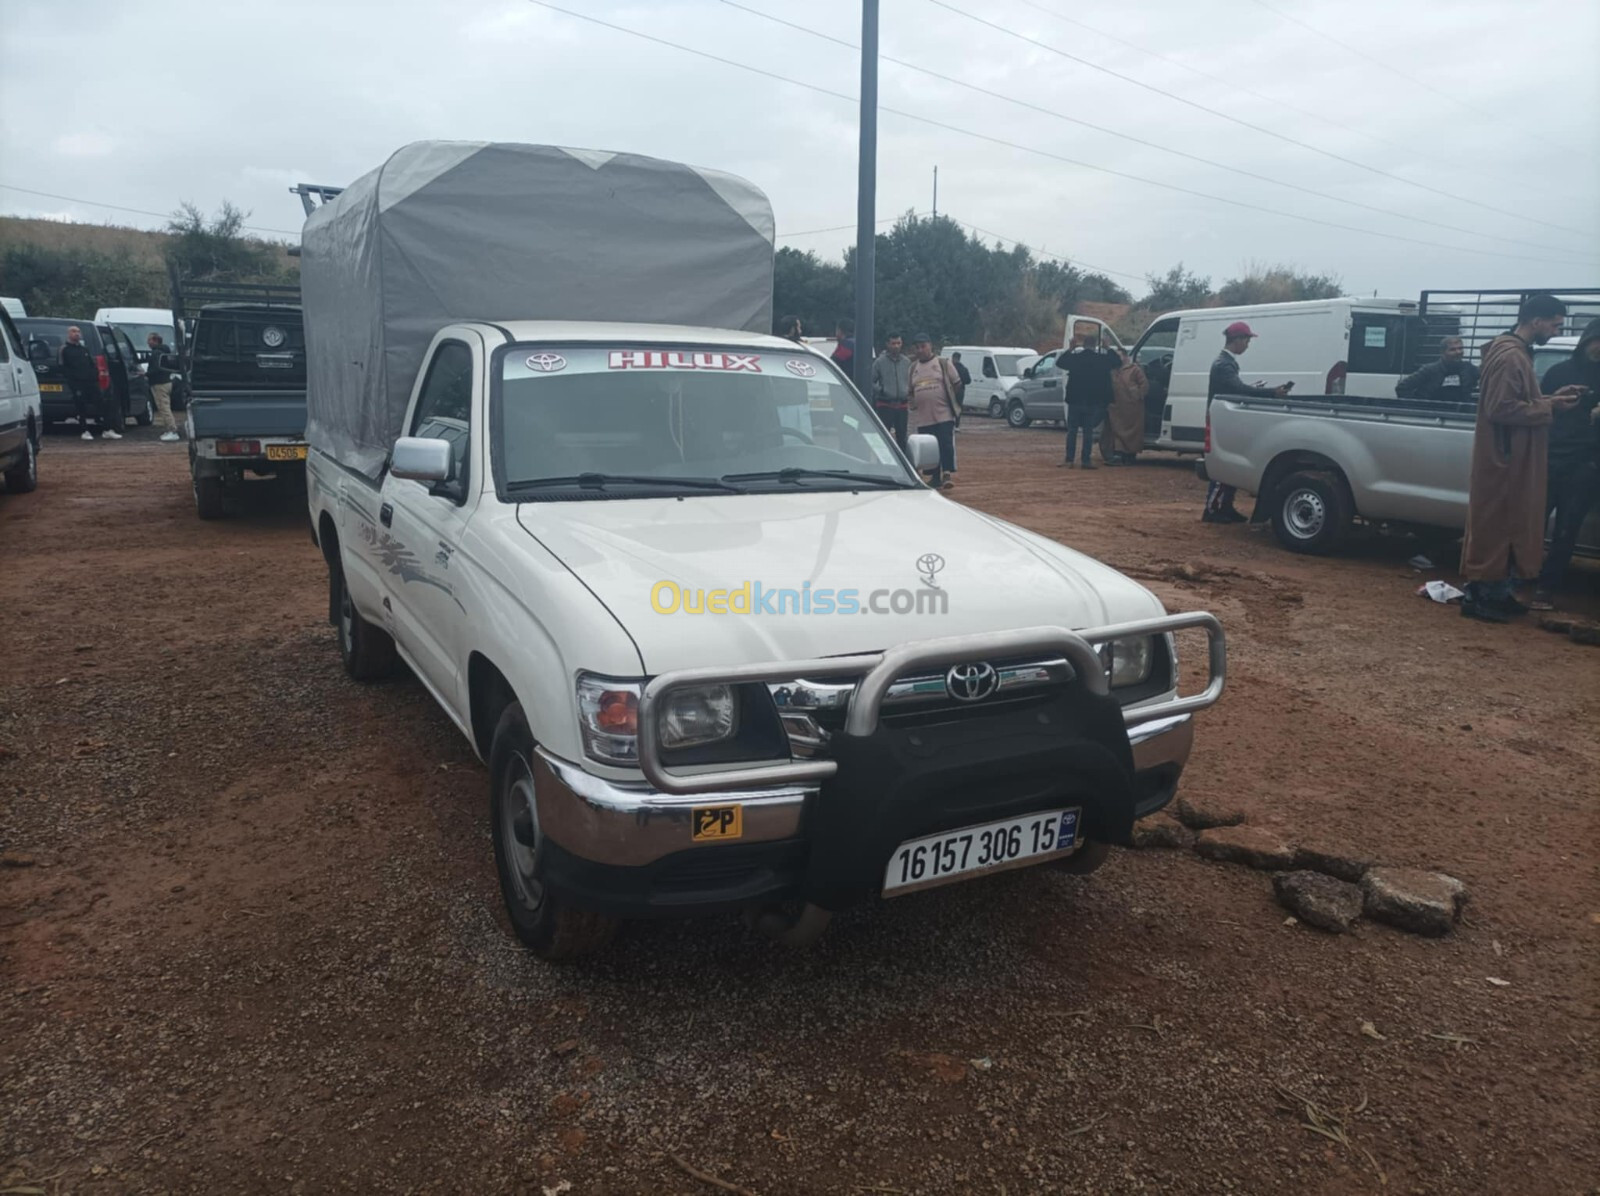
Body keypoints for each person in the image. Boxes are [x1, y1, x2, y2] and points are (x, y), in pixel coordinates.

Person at [1459, 294, 1586, 623]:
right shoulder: (1511, 357)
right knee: (1498, 524)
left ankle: (1491, 593)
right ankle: (1483, 596)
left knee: (1504, 521)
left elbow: (1514, 400)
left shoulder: (1514, 354)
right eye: (1555, 325)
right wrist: (1551, 407)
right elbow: (1500, 409)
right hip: (1504, 458)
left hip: (1509, 455)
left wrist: (1548, 398)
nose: (1557, 332)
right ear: (1536, 321)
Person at [1531, 316, 1600, 610]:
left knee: (1567, 530)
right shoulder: (1558, 371)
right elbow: (1537, 408)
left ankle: (1546, 588)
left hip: (1586, 465)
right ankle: (1520, 577)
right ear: (1587, 340)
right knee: (1532, 523)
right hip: (1550, 457)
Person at [1203, 321, 1289, 522]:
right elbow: (1239, 390)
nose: (1248, 345)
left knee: (1228, 463)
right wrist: (1271, 393)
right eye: (1247, 340)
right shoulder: (1224, 364)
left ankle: (1223, 507)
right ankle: (1214, 509)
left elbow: (1236, 388)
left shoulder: (1225, 362)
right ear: (1238, 340)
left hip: (1222, 417)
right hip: (1222, 419)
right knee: (1224, 464)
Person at [1056, 333, 1118, 469]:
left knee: (1072, 431)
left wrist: (1070, 349)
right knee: (1088, 432)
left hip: (1074, 400)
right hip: (1091, 401)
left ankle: (1069, 459)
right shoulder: (1101, 359)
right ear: (1095, 346)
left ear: (1083, 346)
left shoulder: (1076, 358)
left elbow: (1059, 363)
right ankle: (1085, 460)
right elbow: (1117, 362)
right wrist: (1108, 348)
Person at [908, 334, 962, 489]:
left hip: (943, 414)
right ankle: (934, 477)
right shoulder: (913, 368)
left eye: (923, 346)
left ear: (930, 345)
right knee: (930, 448)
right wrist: (914, 404)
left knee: (945, 444)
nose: (920, 350)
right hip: (924, 417)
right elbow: (910, 391)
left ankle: (946, 474)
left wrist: (952, 402)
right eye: (917, 347)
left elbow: (957, 384)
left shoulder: (943, 363)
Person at [60, 325, 121, 441]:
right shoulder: (64, 349)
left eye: (78, 331)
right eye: (73, 331)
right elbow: (62, 367)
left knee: (101, 404)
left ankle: (107, 429)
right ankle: (84, 431)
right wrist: (73, 381)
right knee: (81, 407)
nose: (76, 333)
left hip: (91, 382)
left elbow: (91, 364)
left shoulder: (84, 349)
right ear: (68, 334)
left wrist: (95, 376)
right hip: (77, 383)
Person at [1395, 337, 1479, 403]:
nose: (1458, 352)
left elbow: (1487, 376)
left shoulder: (1468, 368)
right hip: (1432, 417)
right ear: (1442, 352)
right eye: (1452, 350)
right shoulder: (1429, 370)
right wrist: (1418, 407)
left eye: (1460, 348)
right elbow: (1402, 388)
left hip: (1458, 416)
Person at [1101, 349, 1148, 465]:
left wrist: (1135, 395)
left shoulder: (1135, 370)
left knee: (1132, 433)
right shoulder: (1113, 370)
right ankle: (1117, 454)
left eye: (1119, 356)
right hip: (1116, 408)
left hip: (1132, 409)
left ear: (1126, 357)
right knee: (1115, 430)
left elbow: (1144, 386)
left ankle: (1130, 454)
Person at [870, 333, 912, 450]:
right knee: (884, 436)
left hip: (902, 405)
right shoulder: (879, 362)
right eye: (893, 343)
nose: (896, 346)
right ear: (887, 344)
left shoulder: (907, 362)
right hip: (885, 405)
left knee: (902, 437)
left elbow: (911, 380)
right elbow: (870, 381)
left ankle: (903, 463)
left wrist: (908, 391)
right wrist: (881, 390)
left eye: (898, 343)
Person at [146, 332, 180, 442]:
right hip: (167, 381)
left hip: (160, 383)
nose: (148, 342)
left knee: (164, 408)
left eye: (149, 340)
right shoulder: (165, 351)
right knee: (164, 407)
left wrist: (146, 374)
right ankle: (169, 429)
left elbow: (155, 369)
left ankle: (172, 430)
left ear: (155, 341)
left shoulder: (156, 353)